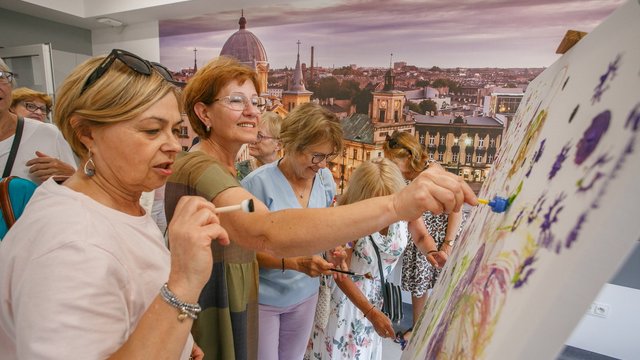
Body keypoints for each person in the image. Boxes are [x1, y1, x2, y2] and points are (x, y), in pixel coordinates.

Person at [163, 56, 477, 360]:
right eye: (236, 101)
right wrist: (397, 204)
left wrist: (331, 249)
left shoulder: (227, 171)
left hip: (240, 304)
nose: (252, 112)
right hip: (223, 311)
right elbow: (269, 231)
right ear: (203, 113)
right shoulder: (204, 170)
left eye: (257, 101)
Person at [0, 49, 230, 359]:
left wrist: (178, 341)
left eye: (175, 130)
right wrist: (184, 283)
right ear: (86, 133)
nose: (175, 145)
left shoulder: (119, 202)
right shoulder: (71, 246)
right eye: (151, 130)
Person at [306, 158, 446, 359]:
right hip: (348, 303)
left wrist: (432, 252)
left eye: (389, 200)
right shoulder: (347, 218)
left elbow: (421, 236)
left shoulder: (403, 207)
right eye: (377, 201)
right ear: (363, 196)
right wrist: (370, 312)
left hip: (376, 299)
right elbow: (340, 273)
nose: (385, 209)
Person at [241, 103, 345, 360]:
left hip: (306, 296)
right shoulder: (255, 184)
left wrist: (334, 252)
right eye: (316, 156)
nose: (322, 164)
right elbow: (243, 253)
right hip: (264, 300)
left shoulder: (325, 180)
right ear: (292, 144)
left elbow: (325, 230)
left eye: (328, 157)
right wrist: (296, 264)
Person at [383, 130, 464, 346]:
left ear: (408, 157)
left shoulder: (434, 171)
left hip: (443, 232)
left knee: (444, 286)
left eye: (394, 161)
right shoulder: (404, 178)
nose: (391, 166)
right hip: (420, 232)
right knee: (420, 286)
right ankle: (418, 330)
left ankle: (440, 332)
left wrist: (447, 243)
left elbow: (457, 207)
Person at [0, 59, 77, 184]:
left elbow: (80, 190)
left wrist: (70, 175)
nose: (38, 112)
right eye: (30, 106)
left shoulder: (47, 134)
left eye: (1, 76)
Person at [236, 110, 282, 180]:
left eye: (259, 136)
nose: (252, 140)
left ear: (278, 145)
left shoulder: (289, 173)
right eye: (251, 133)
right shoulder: (238, 171)